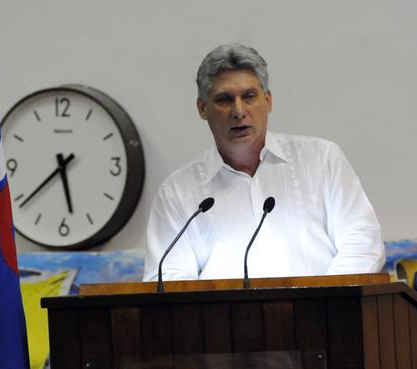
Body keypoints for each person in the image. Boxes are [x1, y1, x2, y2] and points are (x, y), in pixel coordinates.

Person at [143, 43, 385, 281]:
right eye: (225, 99)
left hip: (325, 316)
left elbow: (362, 240)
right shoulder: (177, 192)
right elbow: (167, 278)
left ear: (268, 101)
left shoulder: (321, 160)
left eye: (249, 96)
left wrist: (324, 300)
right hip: (225, 321)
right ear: (203, 108)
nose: (238, 111)